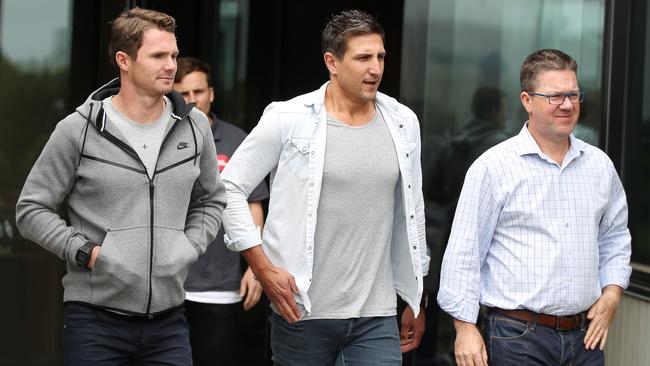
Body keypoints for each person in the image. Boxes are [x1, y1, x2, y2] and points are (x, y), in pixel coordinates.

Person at [15, 8, 226, 366]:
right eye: (158, 55)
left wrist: (187, 246)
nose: (170, 65)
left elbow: (211, 201)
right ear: (123, 60)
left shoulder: (194, 128)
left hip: (170, 321)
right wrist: (87, 253)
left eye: (173, 55)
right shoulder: (78, 130)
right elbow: (31, 210)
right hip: (95, 321)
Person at [221, 9, 429, 365]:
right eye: (363, 57)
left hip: (376, 315)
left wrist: (416, 296)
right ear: (332, 62)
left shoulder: (402, 122)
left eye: (380, 57)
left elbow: (413, 211)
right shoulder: (289, 118)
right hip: (302, 309)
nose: (375, 68)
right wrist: (261, 266)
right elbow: (228, 189)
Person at [437, 49, 632, 366]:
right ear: (527, 100)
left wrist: (612, 293)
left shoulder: (600, 166)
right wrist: (464, 327)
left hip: (586, 339)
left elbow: (615, 238)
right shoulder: (493, 167)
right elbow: (464, 252)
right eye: (555, 96)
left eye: (573, 94)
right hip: (517, 338)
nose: (567, 105)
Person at [173, 56, 269, 365]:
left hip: (220, 288)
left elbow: (253, 203)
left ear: (211, 93)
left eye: (198, 92)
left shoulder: (236, 139)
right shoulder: (160, 136)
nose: (192, 100)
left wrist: (256, 267)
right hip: (168, 286)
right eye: (184, 93)